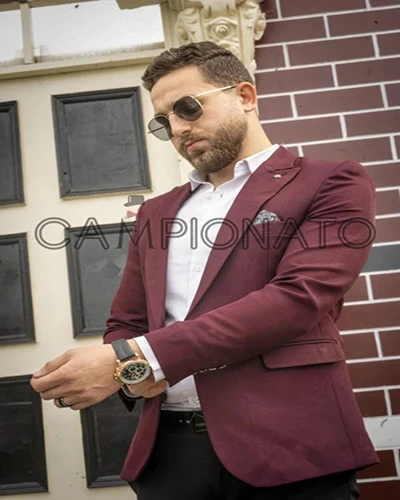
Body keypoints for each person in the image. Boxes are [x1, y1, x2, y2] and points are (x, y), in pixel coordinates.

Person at [31, 41, 379, 499]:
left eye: (188, 108)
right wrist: (129, 372)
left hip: (291, 445)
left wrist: (128, 359)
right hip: (170, 458)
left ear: (245, 96)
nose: (177, 129)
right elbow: (127, 322)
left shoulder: (329, 182)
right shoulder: (156, 212)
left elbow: (297, 299)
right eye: (163, 122)